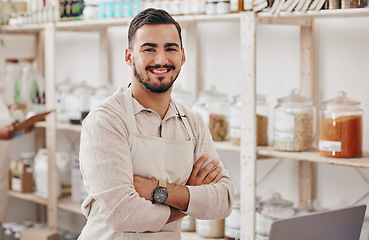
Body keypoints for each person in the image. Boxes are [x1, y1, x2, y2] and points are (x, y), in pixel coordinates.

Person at [78, 8, 234, 240]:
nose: (161, 60)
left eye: (170, 49)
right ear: (129, 56)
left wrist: (157, 191)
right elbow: (124, 215)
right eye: (149, 49)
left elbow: (224, 199)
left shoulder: (193, 122)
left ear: (182, 55)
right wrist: (189, 197)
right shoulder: (106, 120)